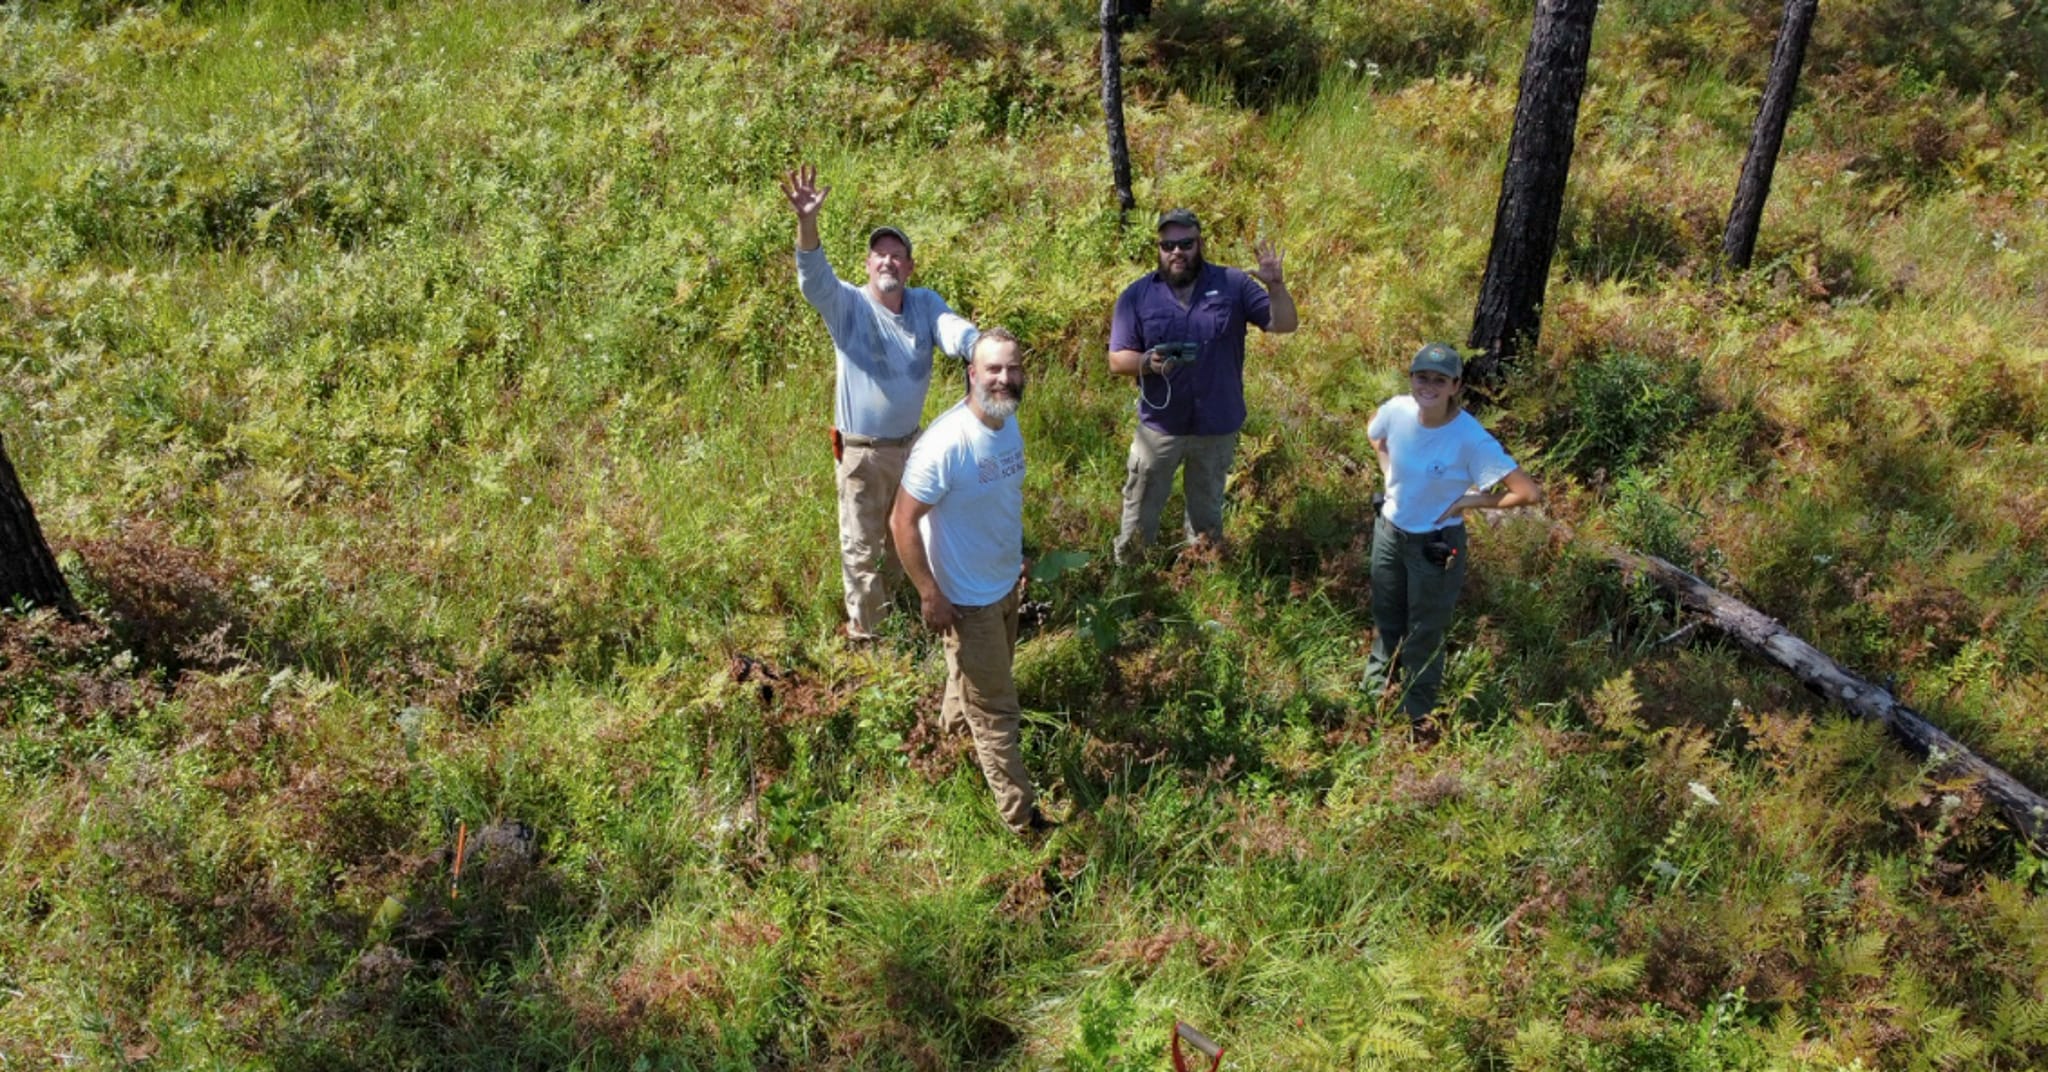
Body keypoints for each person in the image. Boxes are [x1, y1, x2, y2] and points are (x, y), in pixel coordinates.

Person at [781, 163, 982, 643]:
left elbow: (949, 329)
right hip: (862, 453)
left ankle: (896, 621)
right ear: (868, 265)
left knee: (902, 538)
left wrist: (978, 346)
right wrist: (807, 221)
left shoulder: (923, 303)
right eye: (879, 256)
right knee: (861, 548)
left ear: (909, 268)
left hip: (911, 450)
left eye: (897, 256)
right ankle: (870, 641)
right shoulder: (847, 305)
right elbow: (813, 278)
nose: (888, 262)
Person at [890, 328, 1051, 837]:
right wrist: (930, 594)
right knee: (999, 711)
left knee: (975, 689)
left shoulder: (1008, 424)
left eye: (1013, 368)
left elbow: (1004, 501)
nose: (1004, 378)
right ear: (972, 374)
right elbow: (901, 521)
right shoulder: (945, 443)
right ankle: (1023, 820)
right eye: (993, 369)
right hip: (968, 602)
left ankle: (946, 744)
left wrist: (1019, 556)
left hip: (1004, 586)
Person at [1364, 342, 1544, 735]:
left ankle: (1418, 718)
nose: (1428, 385)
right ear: (1411, 378)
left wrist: (1469, 500)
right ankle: (1372, 702)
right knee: (1385, 619)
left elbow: (1527, 492)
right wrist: (1387, 472)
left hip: (1434, 546)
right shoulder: (1397, 409)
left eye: (1439, 380)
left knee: (1424, 631)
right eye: (1421, 377)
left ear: (1455, 386)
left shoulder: (1469, 438)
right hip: (1390, 533)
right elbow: (1375, 432)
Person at [1107, 208, 1298, 562]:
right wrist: (1147, 362)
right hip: (1160, 428)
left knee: (1207, 514)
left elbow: (1284, 324)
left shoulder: (1234, 284)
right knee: (1139, 510)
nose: (1177, 252)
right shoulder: (1137, 296)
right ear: (1159, 248)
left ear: (1200, 243)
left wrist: (1275, 285)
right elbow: (1117, 359)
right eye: (1168, 245)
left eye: (1185, 243)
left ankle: (1200, 578)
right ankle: (1129, 580)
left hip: (1216, 425)